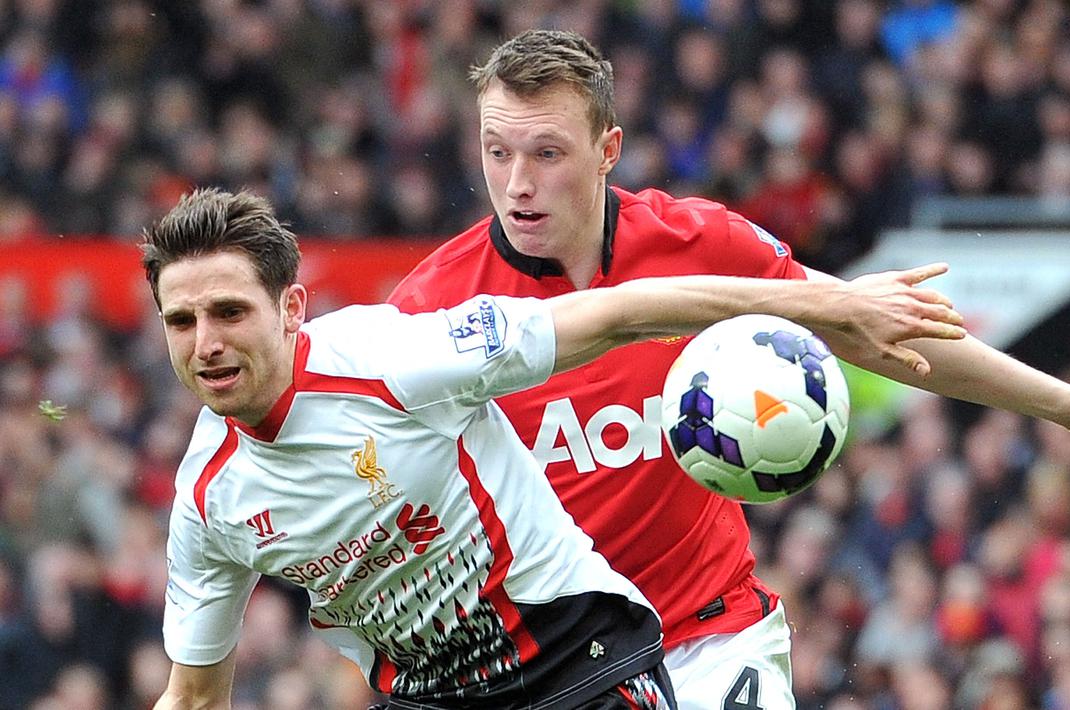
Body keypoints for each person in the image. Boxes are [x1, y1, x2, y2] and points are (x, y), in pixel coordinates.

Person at [385, 30, 1070, 709]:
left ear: (608, 149)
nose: (517, 184)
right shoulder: (436, 309)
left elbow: (874, 332)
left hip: (706, 634)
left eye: (546, 154)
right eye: (497, 152)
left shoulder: (698, 242)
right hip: (552, 668)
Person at [144, 187, 976, 709]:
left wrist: (827, 309)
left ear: (291, 309)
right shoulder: (210, 501)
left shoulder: (395, 356)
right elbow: (192, 694)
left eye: (228, 312)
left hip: (581, 668)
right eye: (181, 322)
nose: (205, 342)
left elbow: (622, 312)